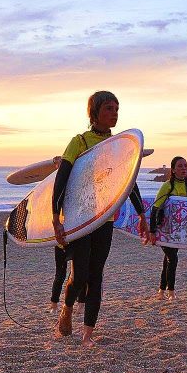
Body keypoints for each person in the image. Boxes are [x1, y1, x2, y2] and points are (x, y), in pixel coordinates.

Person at [52, 90, 152, 347]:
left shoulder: (119, 145)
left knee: (96, 275)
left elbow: (128, 183)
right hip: (78, 219)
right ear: (94, 112)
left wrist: (141, 214)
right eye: (109, 108)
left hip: (103, 220)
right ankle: (67, 308)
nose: (114, 113)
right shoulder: (79, 143)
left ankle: (87, 335)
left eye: (117, 109)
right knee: (80, 275)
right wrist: (55, 217)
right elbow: (61, 180)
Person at [150, 156, 187, 301]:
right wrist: (152, 231)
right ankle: (171, 292)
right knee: (173, 258)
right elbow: (155, 208)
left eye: (185, 165)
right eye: (180, 166)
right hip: (164, 229)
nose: (183, 168)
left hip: (179, 231)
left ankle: (161, 291)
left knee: (168, 259)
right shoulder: (167, 186)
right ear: (173, 170)